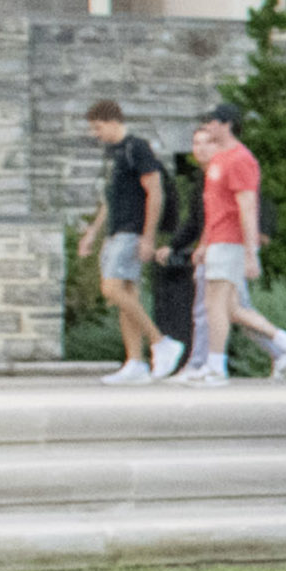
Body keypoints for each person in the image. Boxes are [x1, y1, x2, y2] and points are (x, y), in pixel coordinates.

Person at [180, 106, 286, 384]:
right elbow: (214, 208)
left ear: (226, 125)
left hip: (230, 241)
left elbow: (247, 207)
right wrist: (204, 243)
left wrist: (251, 253)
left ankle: (216, 365)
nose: (208, 127)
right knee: (232, 308)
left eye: (212, 122)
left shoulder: (240, 159)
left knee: (214, 303)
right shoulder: (219, 160)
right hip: (218, 239)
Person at [76, 100, 180, 384]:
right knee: (127, 296)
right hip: (115, 231)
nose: (95, 134)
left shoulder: (137, 148)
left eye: (98, 127)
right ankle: (135, 362)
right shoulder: (113, 154)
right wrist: (92, 233)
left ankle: (161, 342)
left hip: (132, 231)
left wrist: (148, 236)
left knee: (111, 288)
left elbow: (155, 192)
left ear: (112, 121)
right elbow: (109, 200)